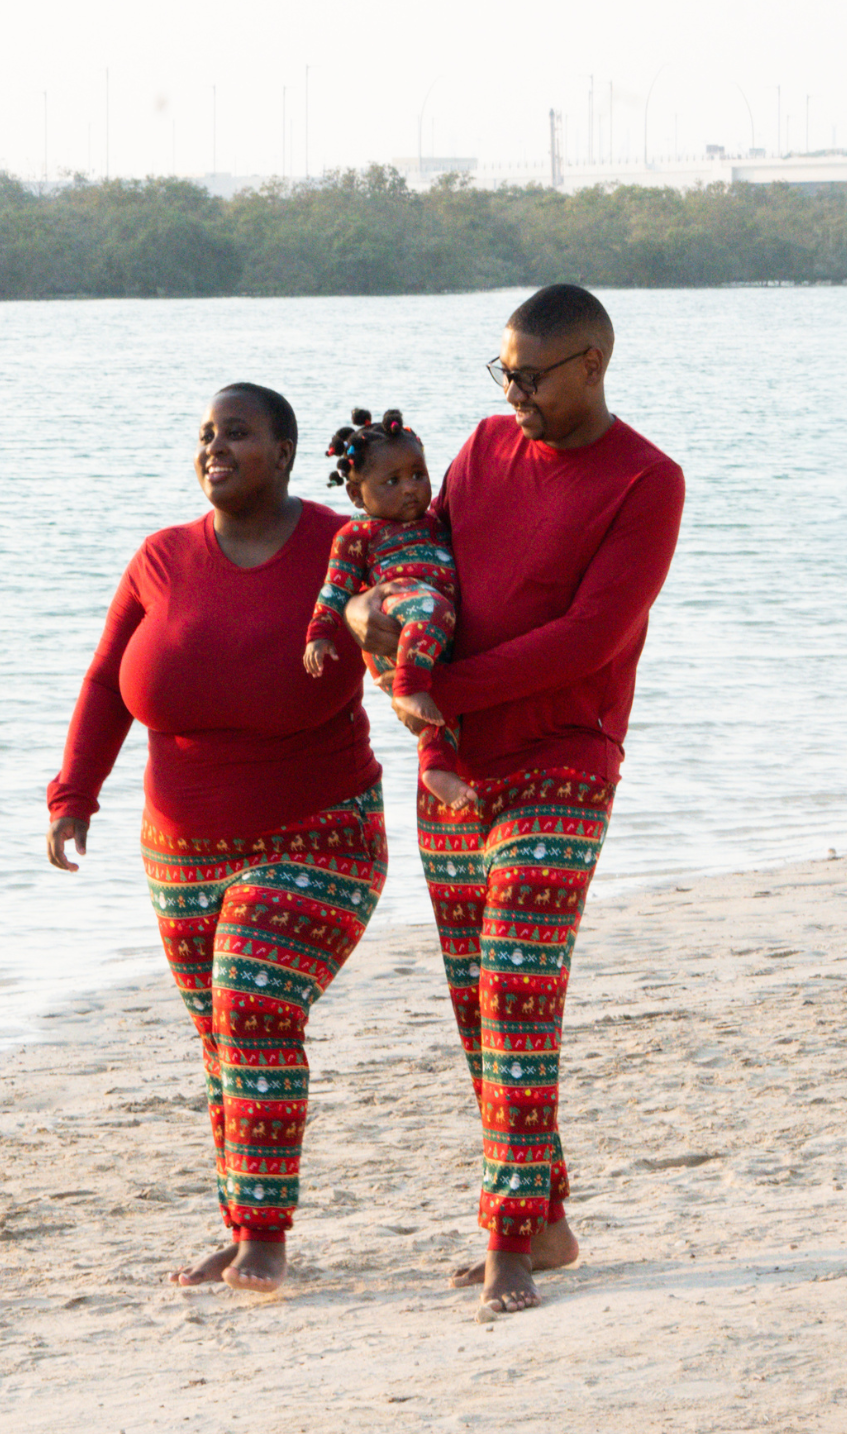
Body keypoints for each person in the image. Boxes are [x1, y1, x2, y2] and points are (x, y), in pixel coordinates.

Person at [344, 285, 685, 1318]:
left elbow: (591, 637)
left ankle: (505, 1239)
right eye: (503, 372)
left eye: (531, 376)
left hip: (566, 758)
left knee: (517, 987)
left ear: (592, 366)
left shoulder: (646, 480)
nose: (513, 393)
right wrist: (366, 618)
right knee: (477, 1007)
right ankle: (546, 1216)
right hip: (454, 765)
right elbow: (425, 569)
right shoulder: (485, 447)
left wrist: (434, 687)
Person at [46, 382, 387, 1296]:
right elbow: (104, 682)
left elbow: (419, 642)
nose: (214, 447)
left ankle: (267, 1237)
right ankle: (243, 1224)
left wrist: (451, 749)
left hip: (321, 833)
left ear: (285, 452)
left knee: (251, 1003)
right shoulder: (160, 557)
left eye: (236, 433)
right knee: (221, 1037)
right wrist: (74, 791)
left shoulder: (342, 546)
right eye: (204, 435)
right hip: (180, 845)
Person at [304, 407, 476, 812]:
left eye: (418, 474)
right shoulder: (357, 534)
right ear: (355, 494)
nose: (411, 488)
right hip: (398, 619)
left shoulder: (436, 522)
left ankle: (437, 770)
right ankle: (409, 688)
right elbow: (335, 588)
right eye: (393, 481)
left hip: (433, 638)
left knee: (444, 706)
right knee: (428, 605)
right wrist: (318, 634)